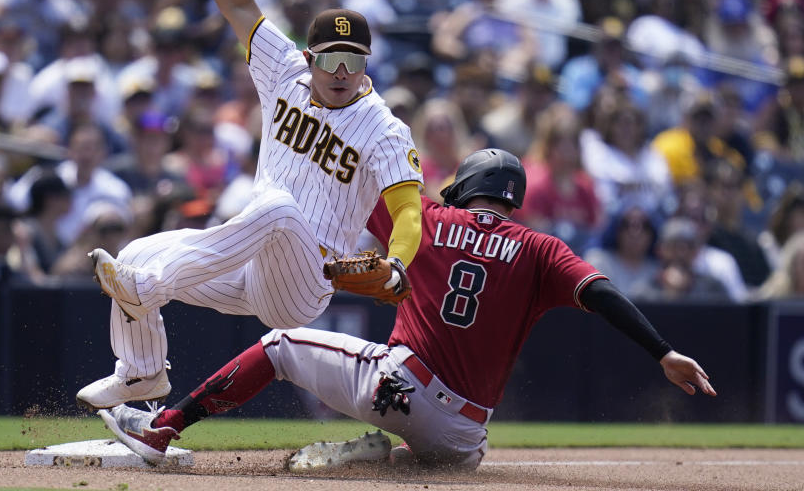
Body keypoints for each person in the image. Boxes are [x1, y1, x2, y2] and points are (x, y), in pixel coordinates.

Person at [98, 148, 715, 469]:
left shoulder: (431, 219)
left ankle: (162, 428)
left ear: (466, 186)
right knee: (460, 455)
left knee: (280, 344)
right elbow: (603, 293)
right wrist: (663, 352)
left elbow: (356, 192)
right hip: (463, 432)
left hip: (396, 384)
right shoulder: (540, 248)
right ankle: (383, 458)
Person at [74, 0, 425, 412]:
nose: (340, 69)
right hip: (246, 267)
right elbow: (236, 2)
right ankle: (141, 374)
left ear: (365, 66)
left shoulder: (384, 127)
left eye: (352, 61)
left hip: (307, 281)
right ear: (308, 58)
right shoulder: (284, 71)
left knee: (276, 209)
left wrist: (398, 263)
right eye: (329, 57)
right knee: (136, 252)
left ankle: (146, 288)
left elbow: (408, 213)